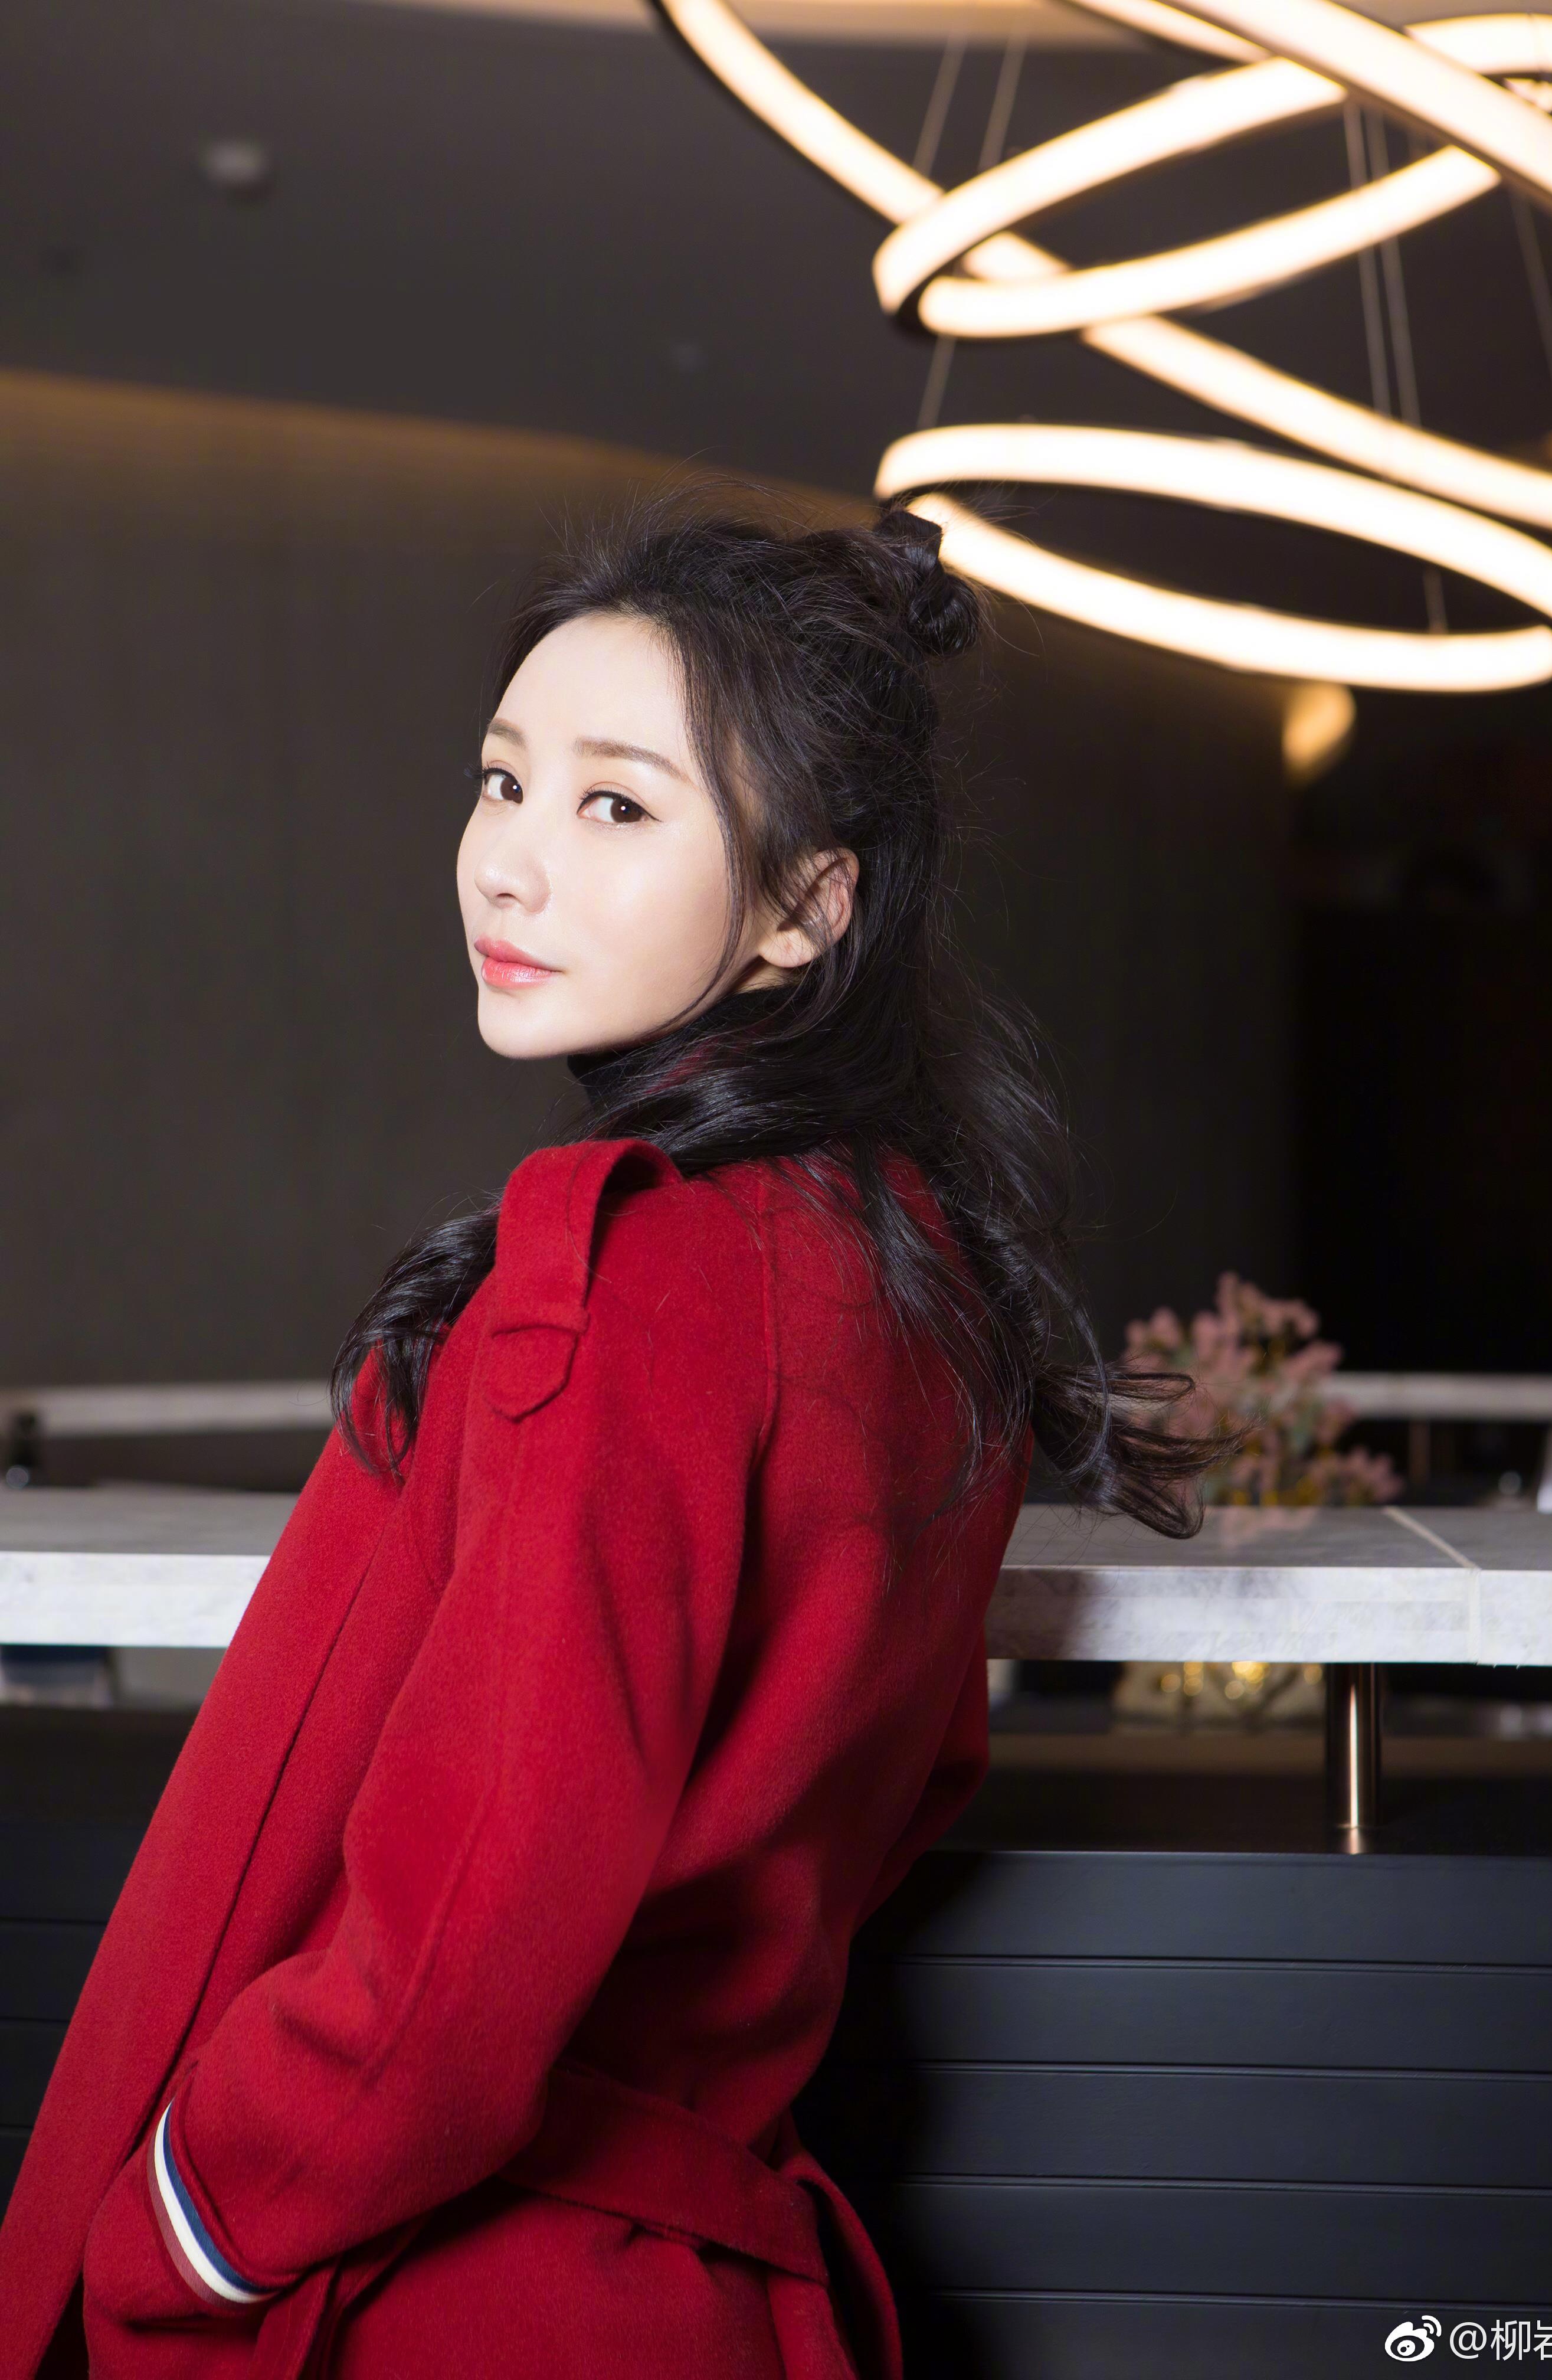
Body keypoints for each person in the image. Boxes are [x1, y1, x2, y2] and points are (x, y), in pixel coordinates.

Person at [0, 503, 1209, 2378]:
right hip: (698, 2277)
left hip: (452, 2291)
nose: (510, 862)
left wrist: (192, 2219)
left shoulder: (641, 1264)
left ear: (808, 906)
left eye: (616, 806)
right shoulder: (904, 1267)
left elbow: (470, 1916)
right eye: (502, 781)